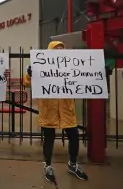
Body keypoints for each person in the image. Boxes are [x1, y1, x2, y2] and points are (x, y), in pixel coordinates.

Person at [23, 41, 88, 182]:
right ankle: (47, 165)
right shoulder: (40, 66)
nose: (59, 51)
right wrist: (29, 74)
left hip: (67, 109)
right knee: (49, 139)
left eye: (61, 49)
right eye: (56, 49)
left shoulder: (70, 66)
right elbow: (26, 82)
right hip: (49, 109)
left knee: (74, 136)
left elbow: (83, 79)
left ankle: (72, 164)